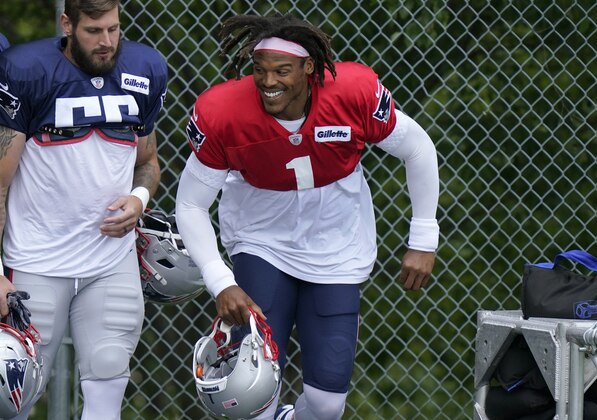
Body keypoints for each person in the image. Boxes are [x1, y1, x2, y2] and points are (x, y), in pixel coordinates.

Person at [176, 13, 439, 420]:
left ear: (309, 68)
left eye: (282, 71)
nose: (268, 82)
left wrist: (423, 237)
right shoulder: (224, 111)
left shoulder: (352, 93)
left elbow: (418, 147)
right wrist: (220, 281)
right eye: (260, 71)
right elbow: (191, 203)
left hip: (337, 247)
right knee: (251, 390)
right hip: (259, 241)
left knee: (326, 404)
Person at [0, 0, 168, 418]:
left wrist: (139, 199)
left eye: (113, 29)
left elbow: (148, 162)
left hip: (110, 263)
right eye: (93, 31)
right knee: (12, 399)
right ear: (67, 24)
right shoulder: (26, 71)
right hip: (36, 261)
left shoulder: (144, 69)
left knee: (109, 379)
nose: (106, 41)